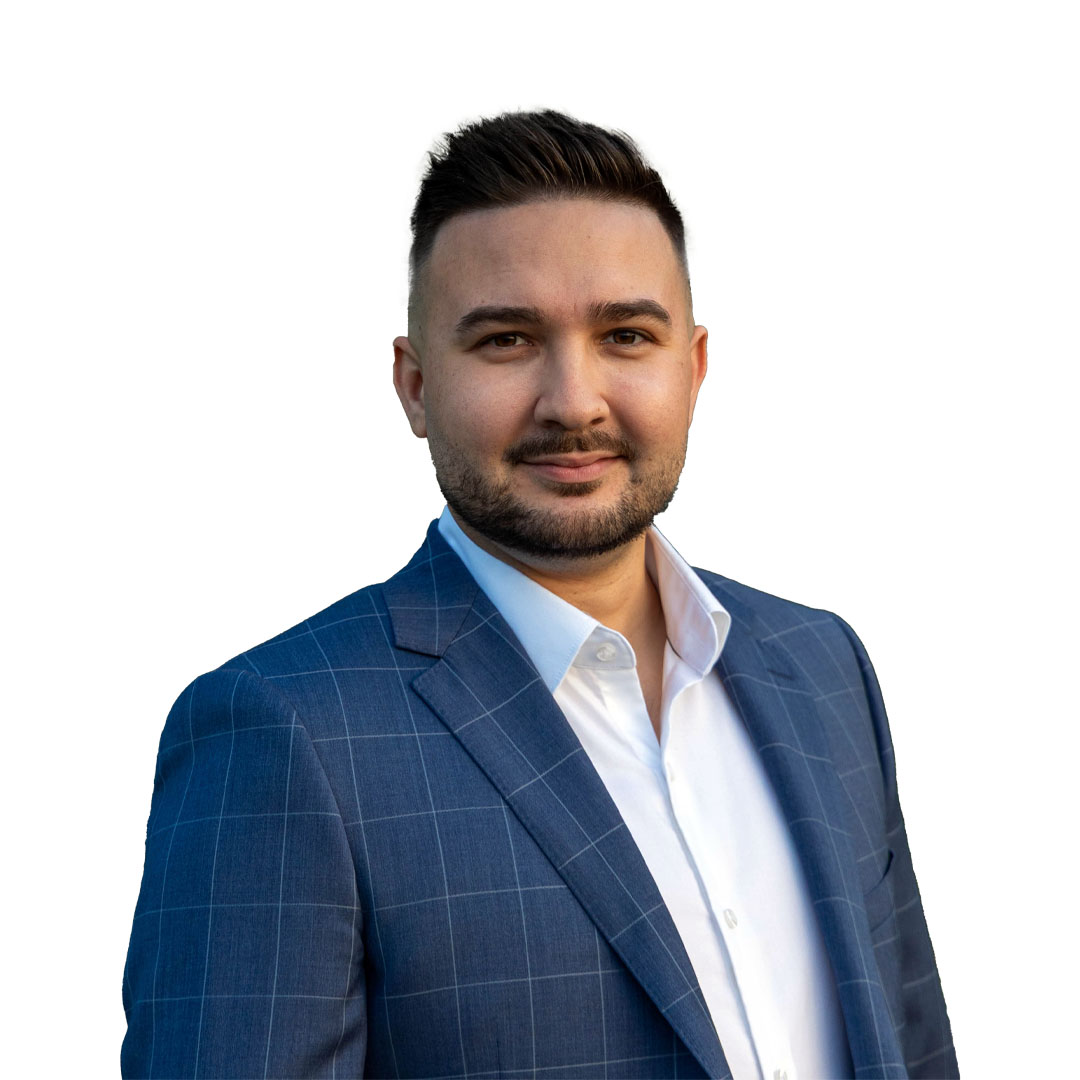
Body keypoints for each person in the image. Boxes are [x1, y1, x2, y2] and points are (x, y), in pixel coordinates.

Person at [121, 109, 957, 1080]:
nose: (573, 401)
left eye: (627, 336)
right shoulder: (283, 733)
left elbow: (911, 1043)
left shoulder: (823, 668)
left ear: (692, 368)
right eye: (508, 340)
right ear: (415, 385)